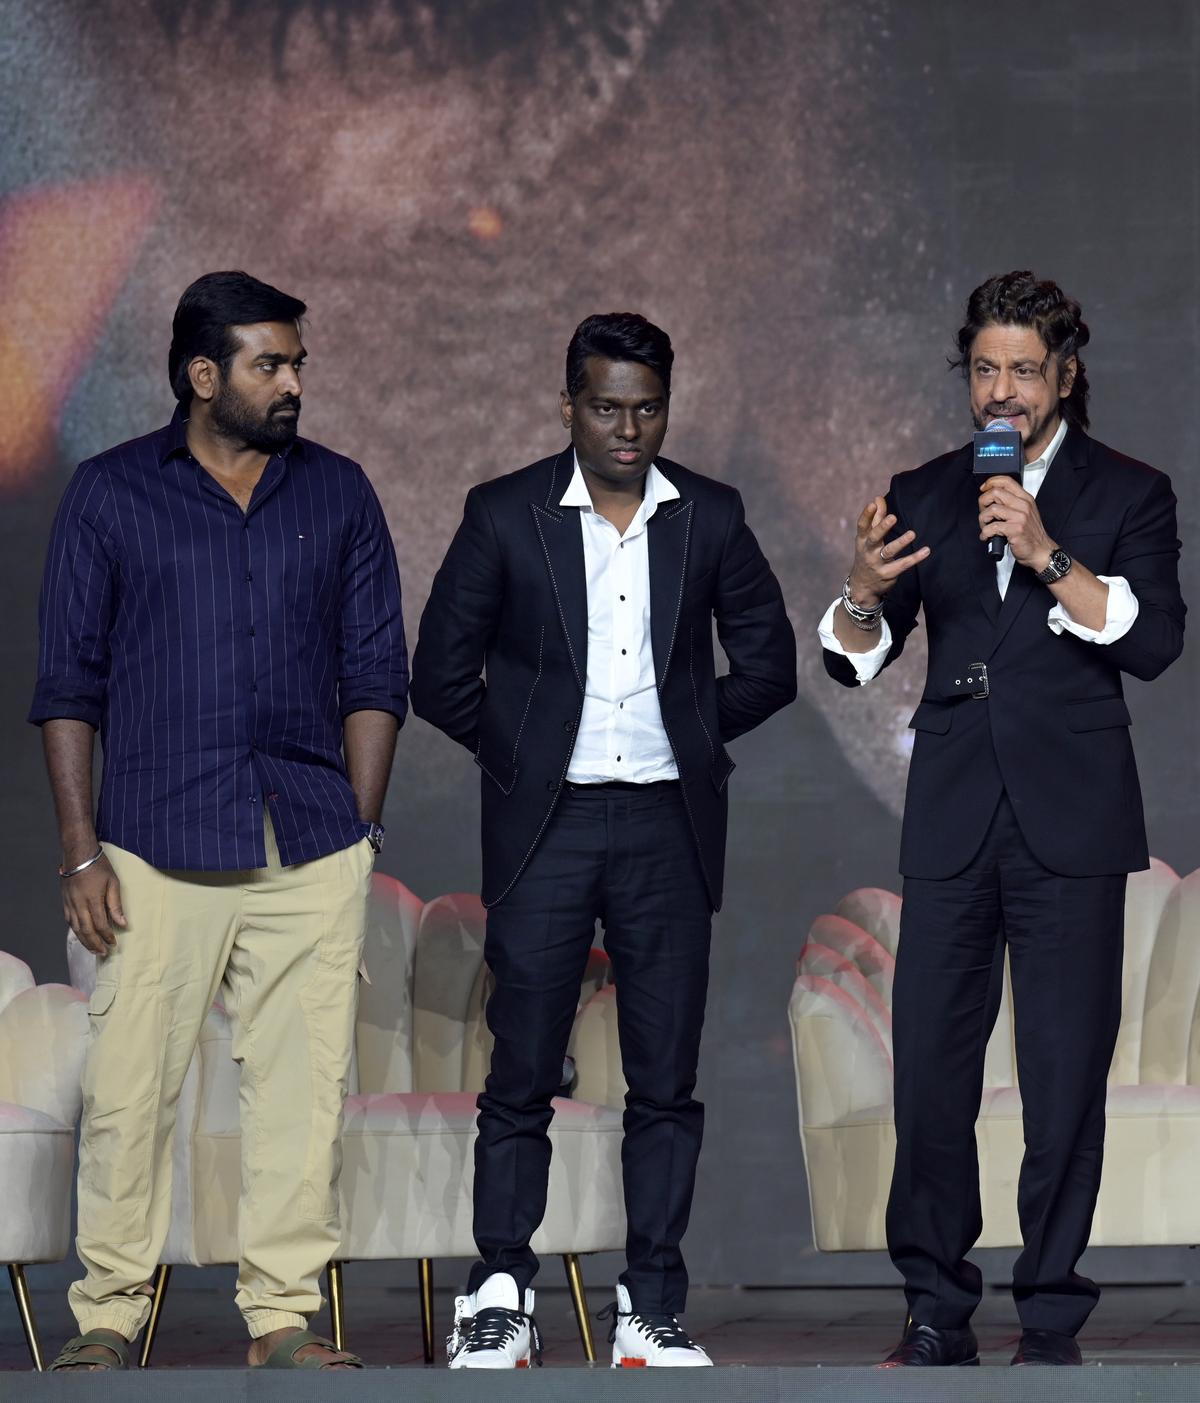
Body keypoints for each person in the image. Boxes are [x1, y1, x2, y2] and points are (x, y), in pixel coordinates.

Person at [31, 271, 407, 1372]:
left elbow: (377, 672)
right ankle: (106, 1318)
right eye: (269, 364)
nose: (293, 382)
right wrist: (81, 852)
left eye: (297, 363)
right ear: (203, 376)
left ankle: (283, 1317)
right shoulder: (110, 494)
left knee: (301, 1095)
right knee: (128, 1092)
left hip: (308, 844)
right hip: (153, 844)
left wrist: (360, 837)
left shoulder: (337, 493)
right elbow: (68, 685)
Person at [412, 312, 796, 1369]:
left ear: (668, 403)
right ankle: (500, 1292)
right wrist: (532, 753)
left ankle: (651, 1304)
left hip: (666, 824)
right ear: (569, 402)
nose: (630, 427)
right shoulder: (503, 514)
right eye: (607, 405)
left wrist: (686, 729)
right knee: (523, 1064)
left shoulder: (708, 515)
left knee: (665, 1076)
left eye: (649, 407)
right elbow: (439, 674)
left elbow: (769, 663)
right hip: (550, 824)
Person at [821, 271, 1185, 1368]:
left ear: (1065, 373)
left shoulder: (1130, 490)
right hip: (954, 814)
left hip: (1070, 817)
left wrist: (1044, 551)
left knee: (1064, 1073)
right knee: (930, 1067)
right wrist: (854, 592)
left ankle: (1052, 1309)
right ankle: (934, 1300)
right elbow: (855, 656)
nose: (1003, 390)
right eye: (986, 368)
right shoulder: (926, 488)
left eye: (1025, 370)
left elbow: (1152, 639)